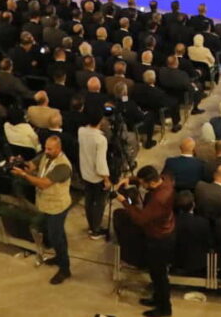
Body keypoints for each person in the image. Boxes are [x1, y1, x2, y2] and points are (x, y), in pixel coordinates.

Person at [116, 166, 176, 317]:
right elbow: (147, 179)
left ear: (152, 183)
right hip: (162, 231)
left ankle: (164, 309)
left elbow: (140, 219)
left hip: (159, 238)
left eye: (143, 183)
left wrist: (124, 202)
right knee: (156, 274)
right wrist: (130, 179)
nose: (141, 186)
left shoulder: (159, 199)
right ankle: (157, 298)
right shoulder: (166, 180)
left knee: (159, 276)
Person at [12, 135, 73, 284]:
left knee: (55, 237)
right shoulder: (46, 156)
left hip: (58, 206)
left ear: (58, 148)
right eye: (46, 147)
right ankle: (59, 258)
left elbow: (44, 183)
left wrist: (24, 175)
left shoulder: (63, 167)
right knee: (57, 234)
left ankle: (65, 269)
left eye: (50, 149)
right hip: (47, 204)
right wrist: (21, 163)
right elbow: (31, 166)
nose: (46, 151)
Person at [78, 112, 112, 239]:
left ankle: (91, 226)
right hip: (97, 176)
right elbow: (100, 162)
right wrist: (106, 179)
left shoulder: (81, 131)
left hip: (85, 172)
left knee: (89, 200)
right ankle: (96, 230)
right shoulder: (100, 139)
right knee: (99, 203)